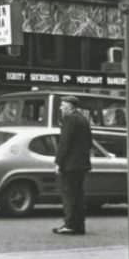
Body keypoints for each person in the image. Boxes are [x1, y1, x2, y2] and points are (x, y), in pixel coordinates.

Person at [53, 95, 92, 235]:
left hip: (70, 165)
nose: (61, 108)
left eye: (63, 105)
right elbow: (89, 142)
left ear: (69, 107)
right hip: (81, 164)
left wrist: (58, 162)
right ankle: (79, 225)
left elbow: (65, 143)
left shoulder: (69, 119)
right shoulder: (83, 119)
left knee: (69, 196)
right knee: (79, 196)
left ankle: (69, 225)